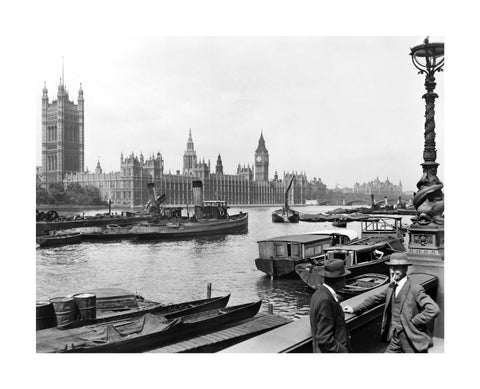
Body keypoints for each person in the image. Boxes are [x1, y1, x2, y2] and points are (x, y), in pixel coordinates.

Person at [343, 252, 439, 353]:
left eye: (397, 268)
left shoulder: (415, 289)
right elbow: (374, 298)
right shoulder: (391, 287)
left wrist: (415, 321)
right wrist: (354, 309)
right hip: (395, 338)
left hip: (411, 339)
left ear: (405, 269)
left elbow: (433, 309)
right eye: (392, 267)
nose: (393, 271)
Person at [310, 259, 351, 353]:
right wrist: (344, 351)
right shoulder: (325, 300)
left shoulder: (321, 294)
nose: (345, 282)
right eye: (344, 278)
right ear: (338, 280)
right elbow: (324, 338)